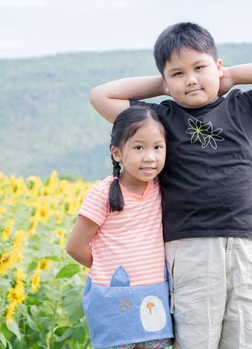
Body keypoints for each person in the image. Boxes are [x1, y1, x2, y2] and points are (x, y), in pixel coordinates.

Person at [88, 22, 252, 348]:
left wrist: (229, 77)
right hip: (191, 249)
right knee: (196, 340)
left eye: (200, 68)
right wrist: (164, 87)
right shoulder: (160, 118)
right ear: (165, 82)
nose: (190, 79)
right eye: (177, 74)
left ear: (216, 67)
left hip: (245, 246)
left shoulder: (244, 107)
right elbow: (100, 95)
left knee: (248, 337)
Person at [67, 105, 174, 349]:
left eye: (158, 147)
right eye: (139, 147)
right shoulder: (102, 193)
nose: (150, 157)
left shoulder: (163, 186)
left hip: (153, 295)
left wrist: (240, 182)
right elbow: (75, 247)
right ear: (117, 153)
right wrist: (109, 267)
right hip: (113, 299)